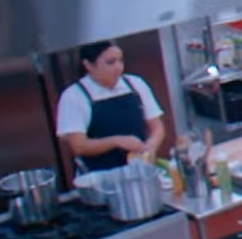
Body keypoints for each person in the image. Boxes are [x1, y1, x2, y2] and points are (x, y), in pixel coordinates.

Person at [55, 40, 167, 173]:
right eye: (110, 62)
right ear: (88, 65)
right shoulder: (74, 96)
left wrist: (150, 147)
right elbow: (79, 146)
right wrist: (116, 141)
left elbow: (157, 128)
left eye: (120, 61)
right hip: (99, 177)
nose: (118, 67)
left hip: (140, 171)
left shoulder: (135, 84)